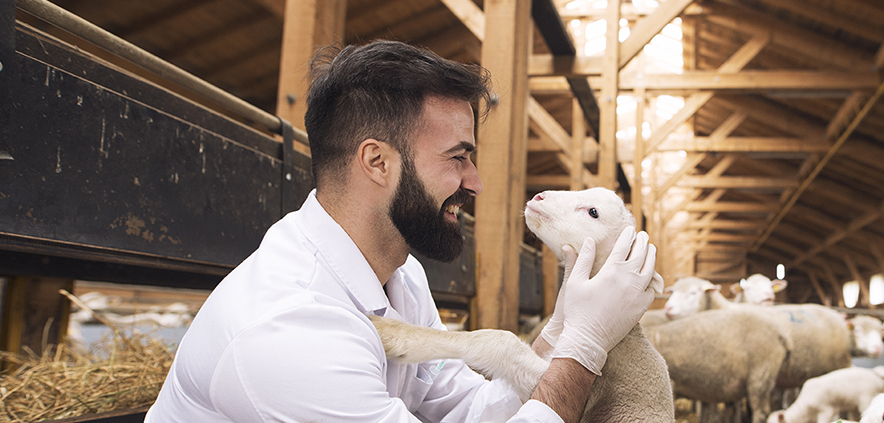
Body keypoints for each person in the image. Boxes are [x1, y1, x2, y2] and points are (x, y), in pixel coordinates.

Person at [146, 40, 658, 422]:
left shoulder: (401, 277)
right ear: (377, 162)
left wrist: (557, 333)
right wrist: (584, 347)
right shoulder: (291, 330)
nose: (475, 183)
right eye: (458, 157)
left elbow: (468, 409)